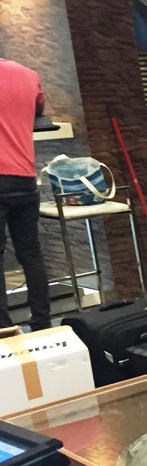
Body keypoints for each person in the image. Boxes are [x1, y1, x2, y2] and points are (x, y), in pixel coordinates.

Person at [0, 57, 50, 333]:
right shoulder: (28, 74)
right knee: (31, 254)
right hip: (24, 177)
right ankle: (42, 322)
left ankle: (3, 328)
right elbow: (38, 109)